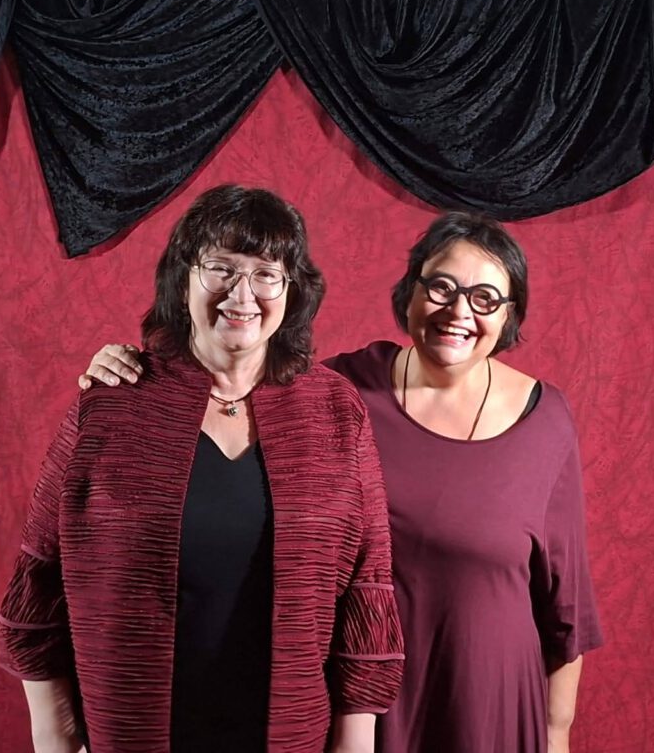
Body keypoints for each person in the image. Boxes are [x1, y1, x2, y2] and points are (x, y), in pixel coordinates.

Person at [79, 211, 603, 753]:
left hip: (485, 701)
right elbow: (230, 376)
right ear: (410, 291)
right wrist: (132, 369)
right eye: (441, 287)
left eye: (486, 298)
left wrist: (556, 732)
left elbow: (565, 604)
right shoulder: (336, 395)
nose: (458, 311)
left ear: (510, 314)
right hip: (348, 701)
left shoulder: (545, 419)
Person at [0, 185, 404, 753]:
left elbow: (367, 583)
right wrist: (57, 736)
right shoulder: (112, 403)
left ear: (291, 289)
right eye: (221, 268)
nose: (243, 294)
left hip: (289, 736)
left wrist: (353, 744)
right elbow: (39, 578)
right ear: (183, 277)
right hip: (134, 732)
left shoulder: (335, 409)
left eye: (266, 274)